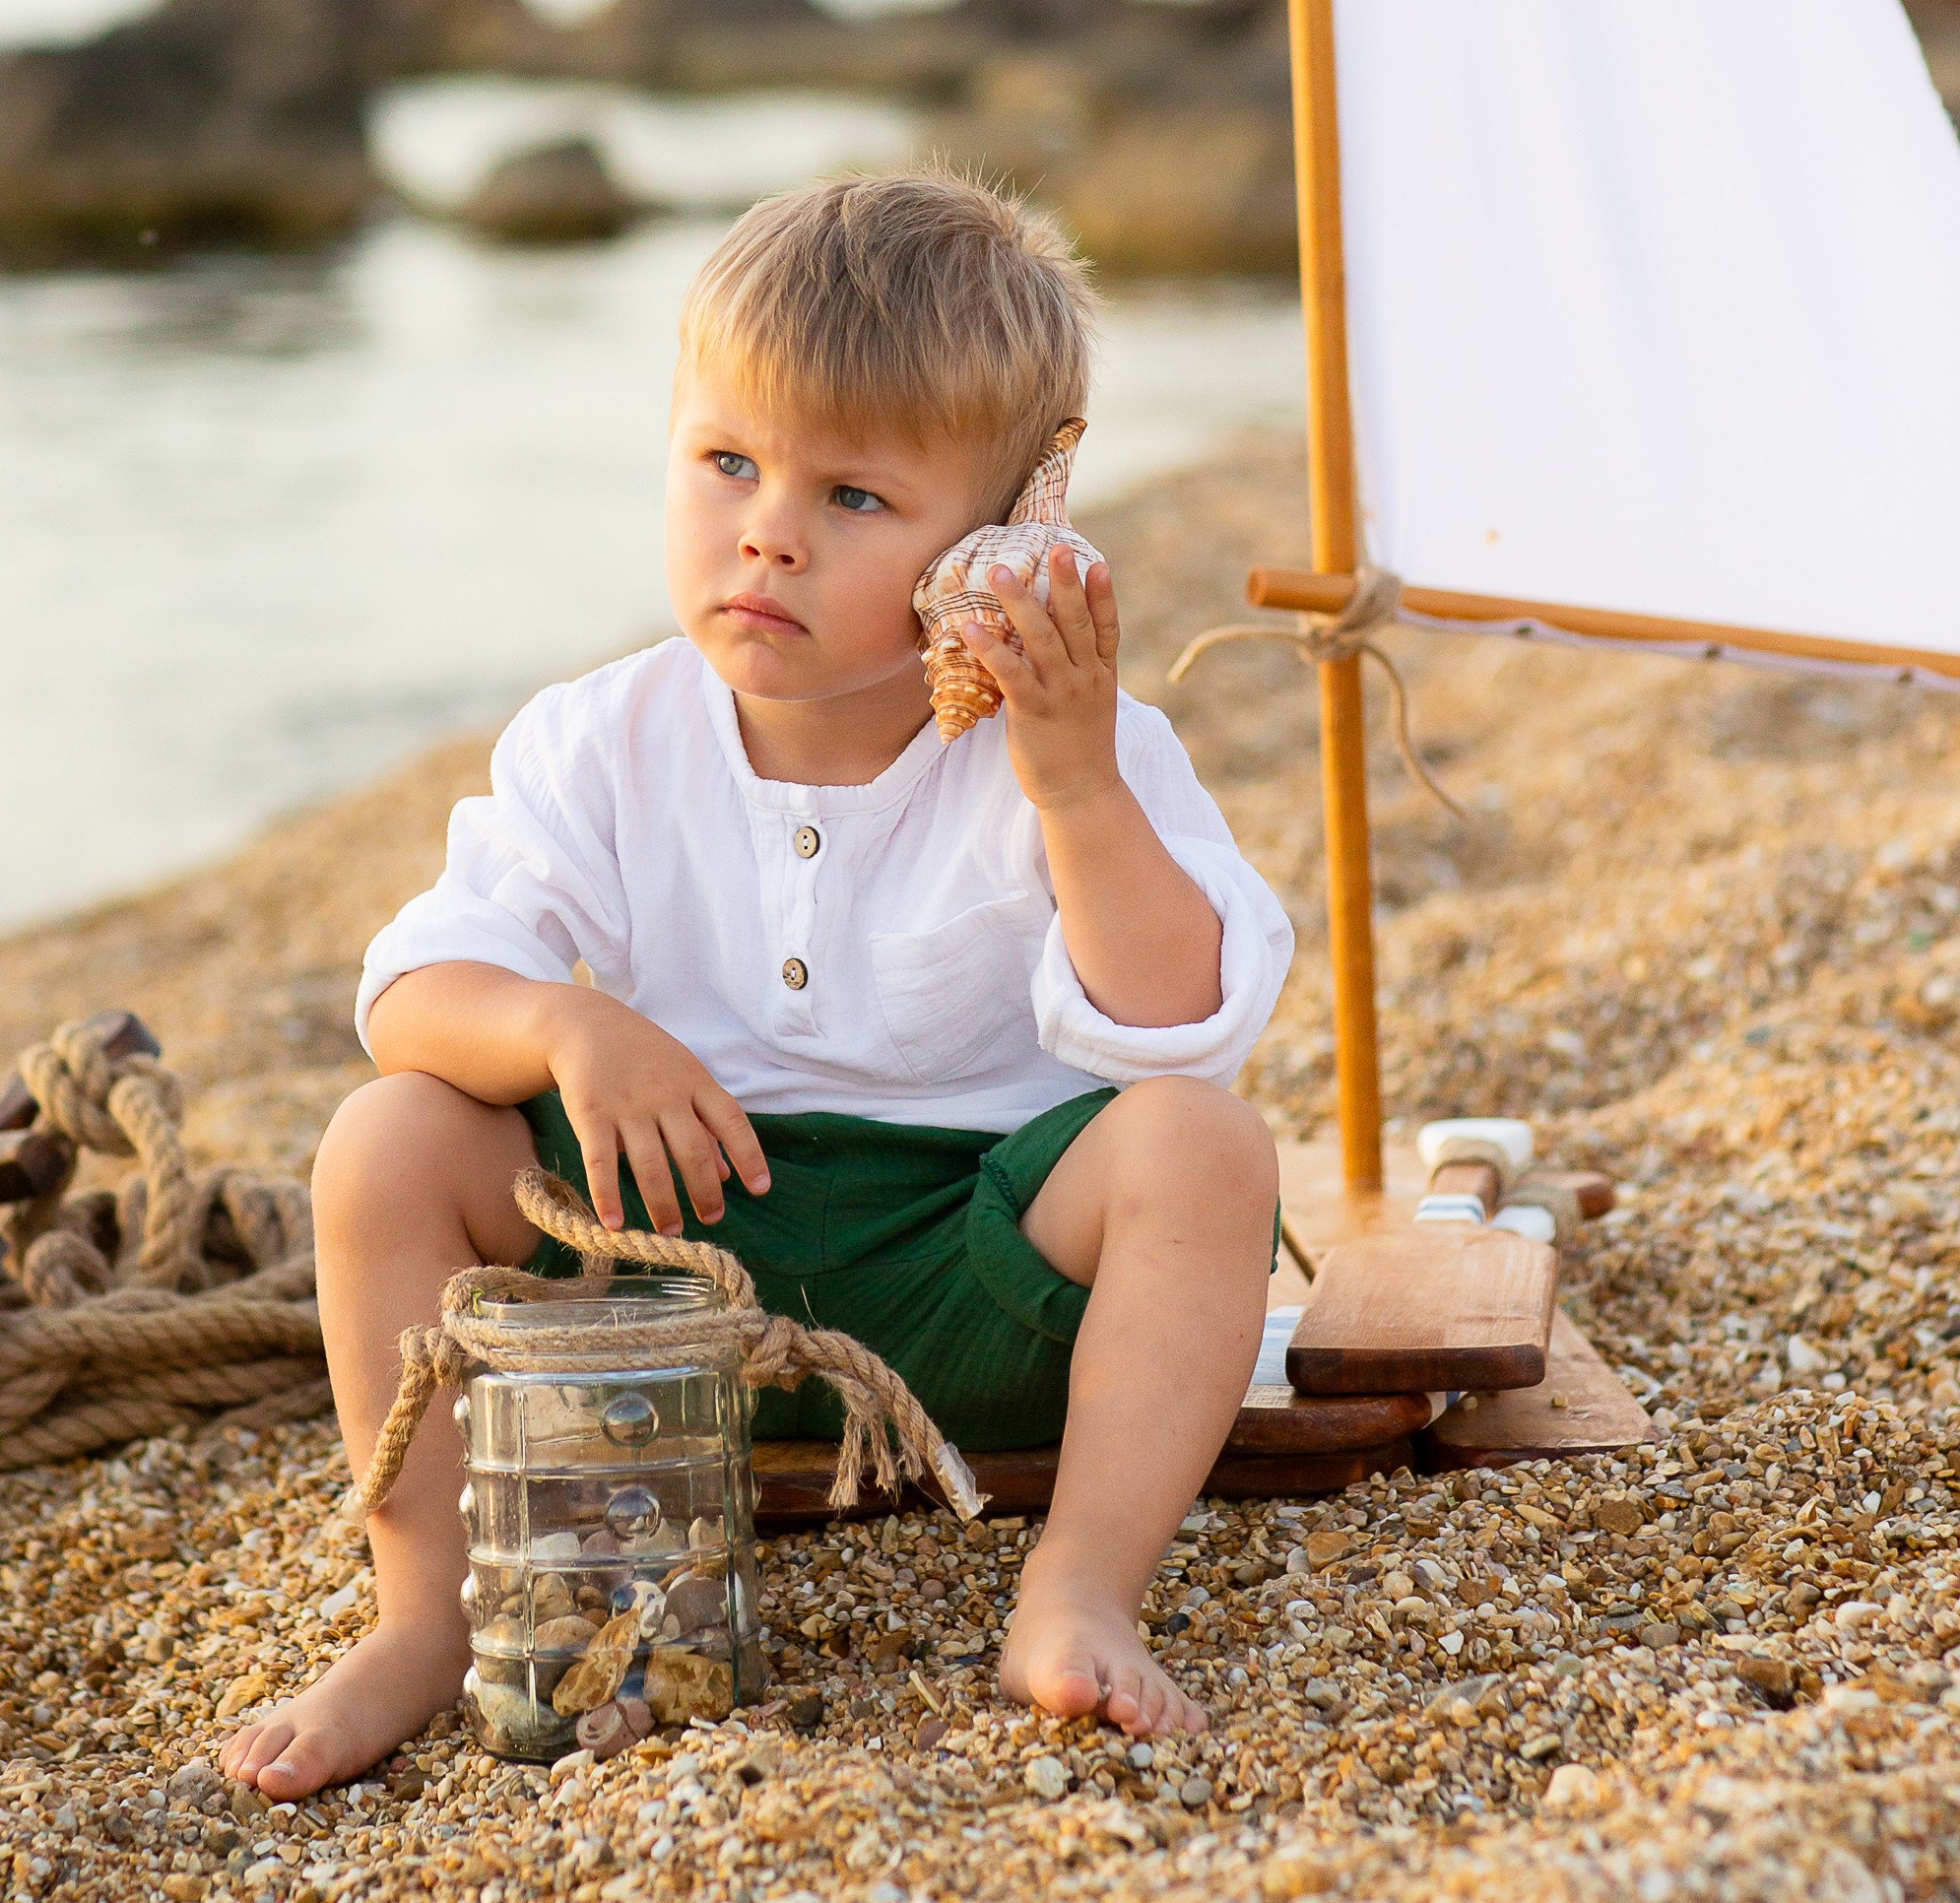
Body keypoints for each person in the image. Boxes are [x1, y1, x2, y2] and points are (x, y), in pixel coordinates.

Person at [222, 171, 1291, 1801]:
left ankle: (1077, 1579)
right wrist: (567, 1022)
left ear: (1004, 535)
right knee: (388, 1136)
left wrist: (1070, 782)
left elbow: (1181, 1030)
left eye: (854, 495)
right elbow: (411, 985)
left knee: (1203, 1148)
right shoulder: (605, 735)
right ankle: (424, 1610)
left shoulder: (1071, 747)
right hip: (669, 1271)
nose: (767, 528)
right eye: (726, 461)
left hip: (968, 1277)